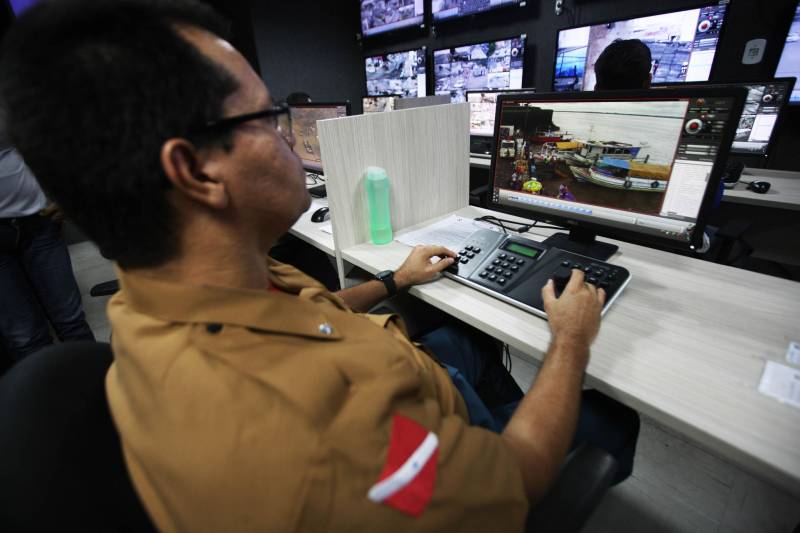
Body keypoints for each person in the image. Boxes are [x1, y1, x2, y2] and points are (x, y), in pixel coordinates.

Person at [0, 1, 638, 531]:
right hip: (424, 444)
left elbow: (310, 312)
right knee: (611, 416)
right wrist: (570, 341)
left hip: (412, 382)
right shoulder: (326, 440)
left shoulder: (166, 291)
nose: (290, 138)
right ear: (197, 171)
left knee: (465, 340)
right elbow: (517, 478)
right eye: (268, 118)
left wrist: (393, 281)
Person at [0, 108, 94, 361]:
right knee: (25, 336)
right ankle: (47, 387)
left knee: (71, 321)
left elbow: (44, 143)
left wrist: (62, 193)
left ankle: (97, 383)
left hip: (37, 222)